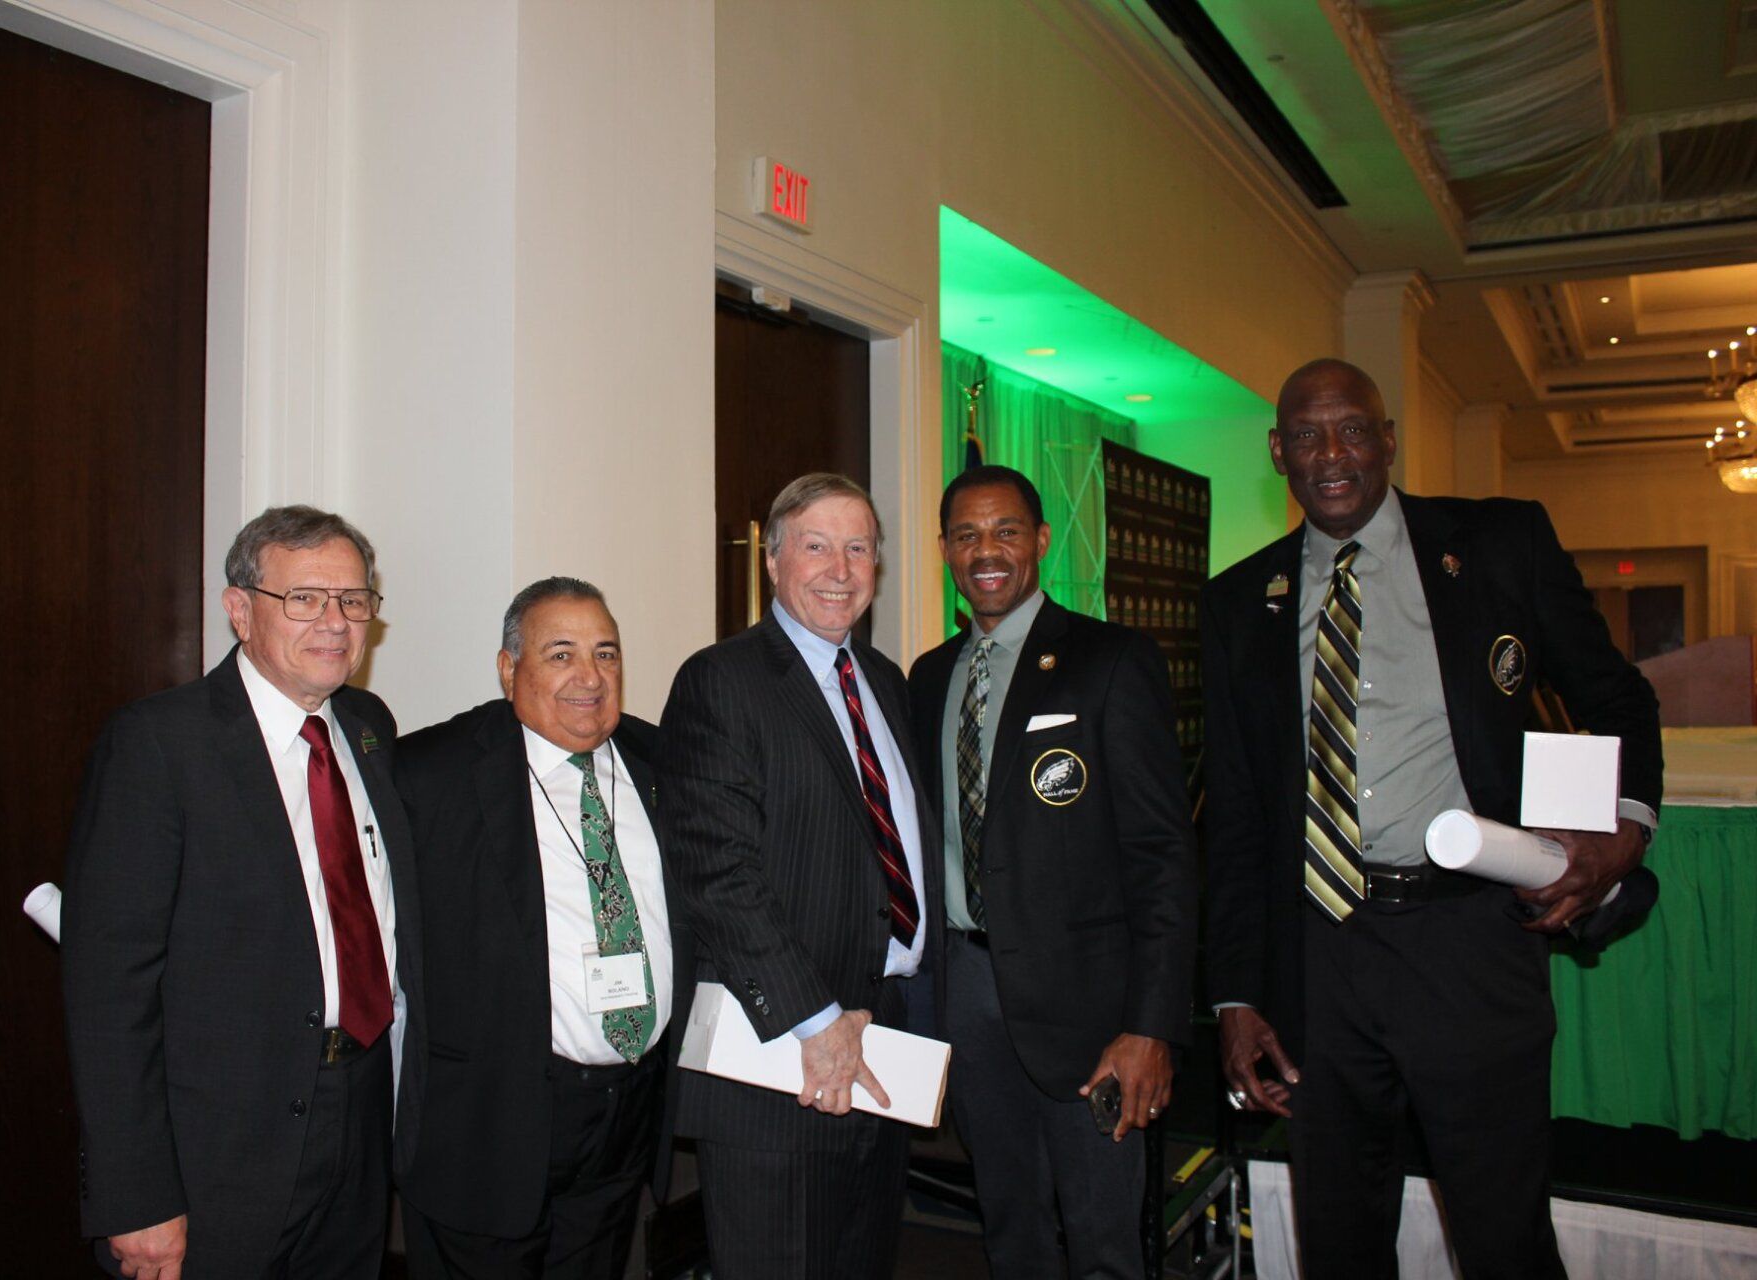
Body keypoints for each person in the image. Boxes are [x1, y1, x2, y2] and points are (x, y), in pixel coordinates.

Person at [1201, 358, 1662, 1279]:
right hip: (1319, 958)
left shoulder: (1499, 545)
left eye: (1352, 430)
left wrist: (1623, 828)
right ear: (1278, 452)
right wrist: (1236, 996)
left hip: (1470, 942)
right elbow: (1239, 815)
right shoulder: (1237, 600)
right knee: (1340, 1243)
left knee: (1502, 1239)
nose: (1331, 454)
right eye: (1307, 435)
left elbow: (1615, 696)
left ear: (1387, 440)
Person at [63, 505, 420, 1280]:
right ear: (239, 609)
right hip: (217, 1152)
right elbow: (109, 993)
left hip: (359, 1118)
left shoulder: (368, 727)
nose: (335, 622)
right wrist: (135, 1194)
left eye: (353, 599)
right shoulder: (159, 745)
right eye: (304, 599)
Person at [907, 466, 1198, 1279]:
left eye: (1005, 531)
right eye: (966, 535)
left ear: (1040, 541)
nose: (986, 551)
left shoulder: (1111, 660)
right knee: (1010, 1230)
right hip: (967, 996)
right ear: (943, 550)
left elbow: (1164, 858)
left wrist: (1151, 1026)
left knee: (1105, 1242)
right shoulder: (928, 678)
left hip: (1093, 1015)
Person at [659, 472, 940, 1280]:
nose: (840, 570)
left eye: (859, 549)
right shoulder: (722, 680)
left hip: (884, 1035)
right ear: (773, 560)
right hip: (780, 1050)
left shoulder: (885, 681)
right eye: (816, 546)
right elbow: (718, 874)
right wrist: (818, 1023)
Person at [394, 577, 692, 1279]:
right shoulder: (429, 772)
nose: (590, 677)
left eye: (605, 653)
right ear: (508, 669)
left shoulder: (662, 761)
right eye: (561, 654)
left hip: (626, 1114)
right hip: (490, 1124)